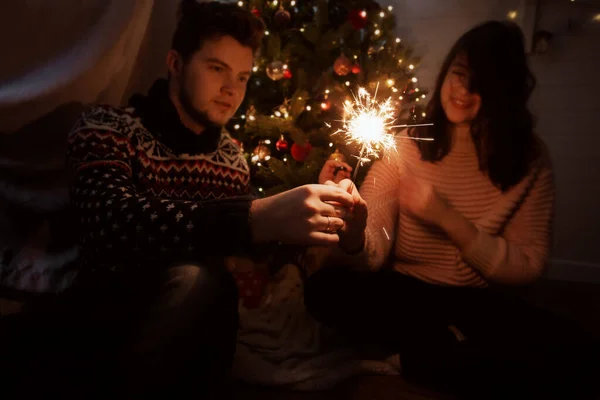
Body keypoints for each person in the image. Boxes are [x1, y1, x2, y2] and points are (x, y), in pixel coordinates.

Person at [0, 1, 355, 398]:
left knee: (210, 285)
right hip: (105, 316)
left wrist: (318, 212)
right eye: (217, 68)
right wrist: (253, 217)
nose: (231, 89)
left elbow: (245, 249)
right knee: (194, 278)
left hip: (198, 336)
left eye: (242, 76)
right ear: (175, 62)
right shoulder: (107, 126)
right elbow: (112, 222)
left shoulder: (231, 158)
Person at [309, 20, 599, 399]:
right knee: (324, 291)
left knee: (580, 354)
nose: (463, 90)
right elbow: (372, 253)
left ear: (505, 91)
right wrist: (349, 226)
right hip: (403, 292)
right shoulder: (408, 145)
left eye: (480, 83)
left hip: (477, 300)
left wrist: (445, 216)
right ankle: (446, 350)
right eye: (458, 74)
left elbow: (528, 265)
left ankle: (425, 354)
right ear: (447, 72)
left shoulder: (530, 159)